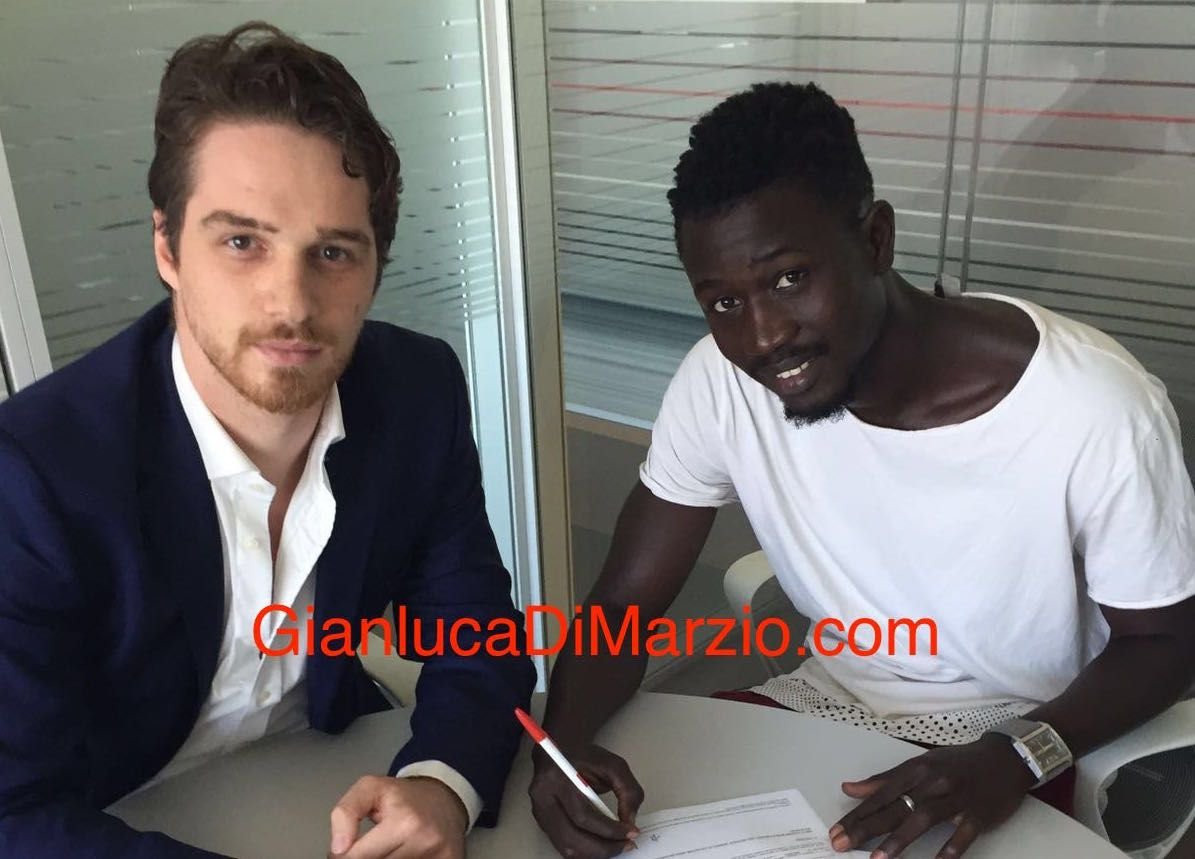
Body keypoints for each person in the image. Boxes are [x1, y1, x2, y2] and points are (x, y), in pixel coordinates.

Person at [527, 81, 1195, 859]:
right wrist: (560, 747)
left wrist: (1019, 753)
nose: (763, 337)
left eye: (788, 278)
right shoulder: (719, 383)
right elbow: (622, 603)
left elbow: (1163, 642)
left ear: (875, 239)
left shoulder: (1092, 405)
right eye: (723, 303)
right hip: (820, 705)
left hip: (1016, 733)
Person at [0, 22, 535, 858]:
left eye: (333, 251)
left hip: (319, 783)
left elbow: (478, 637)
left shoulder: (415, 391)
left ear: (375, 268)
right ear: (167, 247)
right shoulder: (33, 473)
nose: (291, 302)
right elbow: (13, 809)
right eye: (242, 242)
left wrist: (442, 782)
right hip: (120, 815)